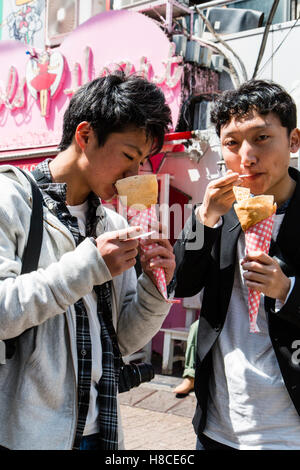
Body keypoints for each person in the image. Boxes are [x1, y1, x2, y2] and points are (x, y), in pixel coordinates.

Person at [0, 72, 176, 450]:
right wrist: (90, 266)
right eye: (129, 156)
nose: (134, 174)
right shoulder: (11, 200)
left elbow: (122, 341)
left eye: (143, 161)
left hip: (102, 431)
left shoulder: (111, 223)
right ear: (85, 136)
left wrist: (154, 285)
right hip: (27, 437)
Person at [174, 79, 300, 450]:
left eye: (262, 138)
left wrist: (287, 291)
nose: (246, 156)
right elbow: (181, 283)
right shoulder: (221, 209)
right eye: (231, 143)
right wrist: (205, 217)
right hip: (218, 426)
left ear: (293, 141)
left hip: (288, 430)